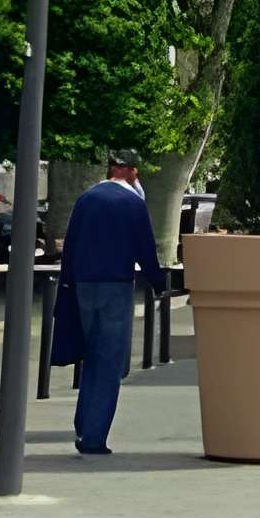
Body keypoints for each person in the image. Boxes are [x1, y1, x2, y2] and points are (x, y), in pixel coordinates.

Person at [56, 147, 164, 456]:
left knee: (89, 357)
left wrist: (67, 284)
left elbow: (71, 246)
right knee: (108, 362)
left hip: (81, 286)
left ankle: (83, 424)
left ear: (109, 170)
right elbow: (146, 251)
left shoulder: (86, 199)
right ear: (132, 172)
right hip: (116, 287)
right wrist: (158, 283)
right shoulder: (133, 203)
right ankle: (93, 436)